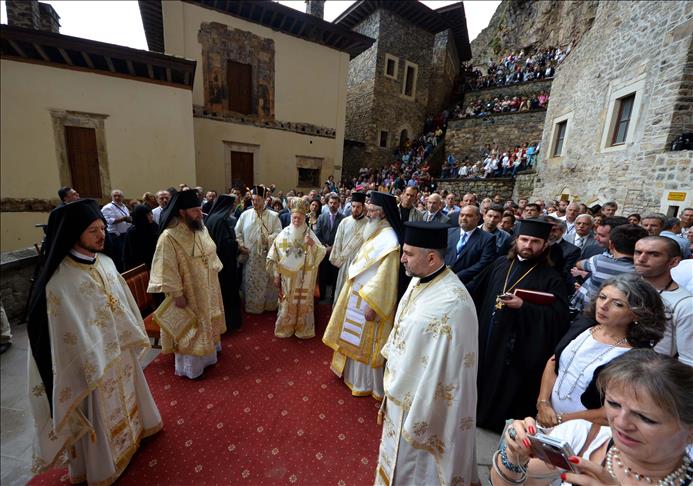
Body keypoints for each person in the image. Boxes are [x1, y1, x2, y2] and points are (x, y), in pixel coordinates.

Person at [26, 199, 161, 485]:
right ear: (74, 233)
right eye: (93, 230)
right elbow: (58, 336)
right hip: (91, 368)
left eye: (102, 228)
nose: (102, 235)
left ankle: (136, 433)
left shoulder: (106, 263)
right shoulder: (59, 283)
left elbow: (122, 304)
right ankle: (102, 465)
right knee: (101, 414)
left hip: (119, 354)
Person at [491, 350, 693, 486]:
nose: (621, 423)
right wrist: (514, 456)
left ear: (690, 432)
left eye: (646, 418)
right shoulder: (583, 434)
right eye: (614, 404)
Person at [376, 222, 478, 486]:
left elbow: (449, 371)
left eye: (408, 254)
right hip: (400, 392)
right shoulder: (418, 280)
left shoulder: (454, 304)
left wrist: (419, 410)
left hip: (424, 406)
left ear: (431, 258)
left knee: (415, 470)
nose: (402, 259)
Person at [468, 218, 570, 432]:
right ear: (516, 240)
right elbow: (475, 289)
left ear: (545, 246)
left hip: (514, 348)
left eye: (535, 241)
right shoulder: (500, 264)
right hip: (486, 335)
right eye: (524, 239)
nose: (528, 245)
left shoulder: (551, 278)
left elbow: (558, 317)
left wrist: (524, 306)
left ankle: (493, 421)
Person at [535, 274, 666, 427]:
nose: (603, 306)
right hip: (546, 418)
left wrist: (560, 420)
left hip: (584, 431)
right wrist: (543, 403)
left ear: (637, 314)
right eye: (602, 297)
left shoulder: (637, 357)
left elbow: (616, 410)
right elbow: (554, 362)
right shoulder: (584, 325)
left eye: (618, 304)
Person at [322, 192, 401, 399]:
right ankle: (351, 375)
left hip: (369, 301)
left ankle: (366, 383)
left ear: (383, 214)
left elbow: (386, 278)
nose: (369, 213)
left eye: (373, 211)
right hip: (356, 294)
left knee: (366, 341)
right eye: (370, 210)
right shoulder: (374, 231)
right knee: (352, 336)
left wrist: (373, 305)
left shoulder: (390, 241)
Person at [148, 189, 226, 379]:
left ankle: (209, 355)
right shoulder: (168, 237)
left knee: (206, 322)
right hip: (188, 292)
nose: (201, 214)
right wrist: (177, 294)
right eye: (195, 211)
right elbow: (166, 268)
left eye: (200, 209)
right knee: (191, 329)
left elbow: (211, 251)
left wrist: (213, 273)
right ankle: (192, 368)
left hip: (207, 286)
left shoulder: (201, 228)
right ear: (182, 212)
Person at [267, 198, 326, 339]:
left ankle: (302, 327)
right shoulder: (284, 234)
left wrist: (312, 244)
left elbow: (322, 251)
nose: (296, 220)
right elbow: (273, 257)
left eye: (299, 218)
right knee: (288, 302)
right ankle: (285, 327)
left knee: (303, 302)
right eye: (294, 217)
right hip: (288, 278)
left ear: (304, 218)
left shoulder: (309, 233)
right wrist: (276, 275)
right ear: (291, 216)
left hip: (304, 277)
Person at [634, 236, 692, 365]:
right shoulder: (624, 287)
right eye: (638, 252)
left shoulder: (685, 304)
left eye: (654, 254)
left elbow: (688, 361)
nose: (641, 259)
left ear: (674, 262)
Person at [571, 224, 649, 313]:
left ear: (611, 244)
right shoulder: (641, 271)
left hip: (588, 311)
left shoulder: (599, 261)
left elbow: (579, 264)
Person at [235, 186, 282, 314]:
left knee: (267, 283)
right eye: (253, 200)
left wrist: (268, 238)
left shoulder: (273, 216)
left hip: (267, 257)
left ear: (265, 199)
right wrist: (240, 245)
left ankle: (268, 305)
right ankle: (253, 307)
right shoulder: (245, 215)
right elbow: (237, 232)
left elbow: (279, 233)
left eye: (258, 200)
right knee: (252, 282)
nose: (255, 203)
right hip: (251, 257)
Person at [205, 194, 242, 332]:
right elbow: (224, 245)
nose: (233, 208)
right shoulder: (221, 220)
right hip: (224, 264)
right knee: (227, 293)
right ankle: (230, 323)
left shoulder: (212, 218)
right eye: (232, 206)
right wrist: (236, 245)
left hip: (216, 263)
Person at [329, 192, 368, 304]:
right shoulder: (344, 222)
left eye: (358, 207)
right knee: (341, 292)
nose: (355, 209)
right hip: (344, 264)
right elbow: (337, 243)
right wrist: (337, 260)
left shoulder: (368, 224)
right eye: (353, 206)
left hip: (359, 265)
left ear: (363, 207)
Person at [445, 204, 497, 283]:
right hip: (443, 279)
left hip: (467, 283)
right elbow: (439, 253)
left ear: (478, 218)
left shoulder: (488, 239)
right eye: (461, 215)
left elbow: (484, 263)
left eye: (468, 216)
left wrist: (458, 276)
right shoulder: (449, 232)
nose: (464, 218)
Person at [315, 193, 345, 302]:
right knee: (322, 274)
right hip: (323, 251)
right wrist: (325, 247)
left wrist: (333, 247)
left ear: (338, 204)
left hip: (336, 252)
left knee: (335, 276)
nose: (332, 205)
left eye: (335, 203)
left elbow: (343, 236)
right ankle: (321, 296)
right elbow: (317, 234)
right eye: (331, 203)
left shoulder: (343, 219)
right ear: (327, 204)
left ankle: (333, 298)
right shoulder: (321, 217)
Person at [101, 189, 132, 272]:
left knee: (125, 256)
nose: (117, 197)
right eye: (115, 196)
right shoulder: (108, 207)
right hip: (115, 236)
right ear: (112, 197)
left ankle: (125, 271)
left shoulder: (124, 206)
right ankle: (119, 273)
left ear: (122, 197)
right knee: (118, 257)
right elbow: (109, 221)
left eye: (119, 196)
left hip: (125, 234)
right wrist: (124, 218)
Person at [123, 204, 158, 271]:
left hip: (154, 263)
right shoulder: (132, 232)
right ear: (141, 216)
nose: (151, 216)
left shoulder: (154, 226)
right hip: (139, 266)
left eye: (151, 213)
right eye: (148, 215)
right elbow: (127, 253)